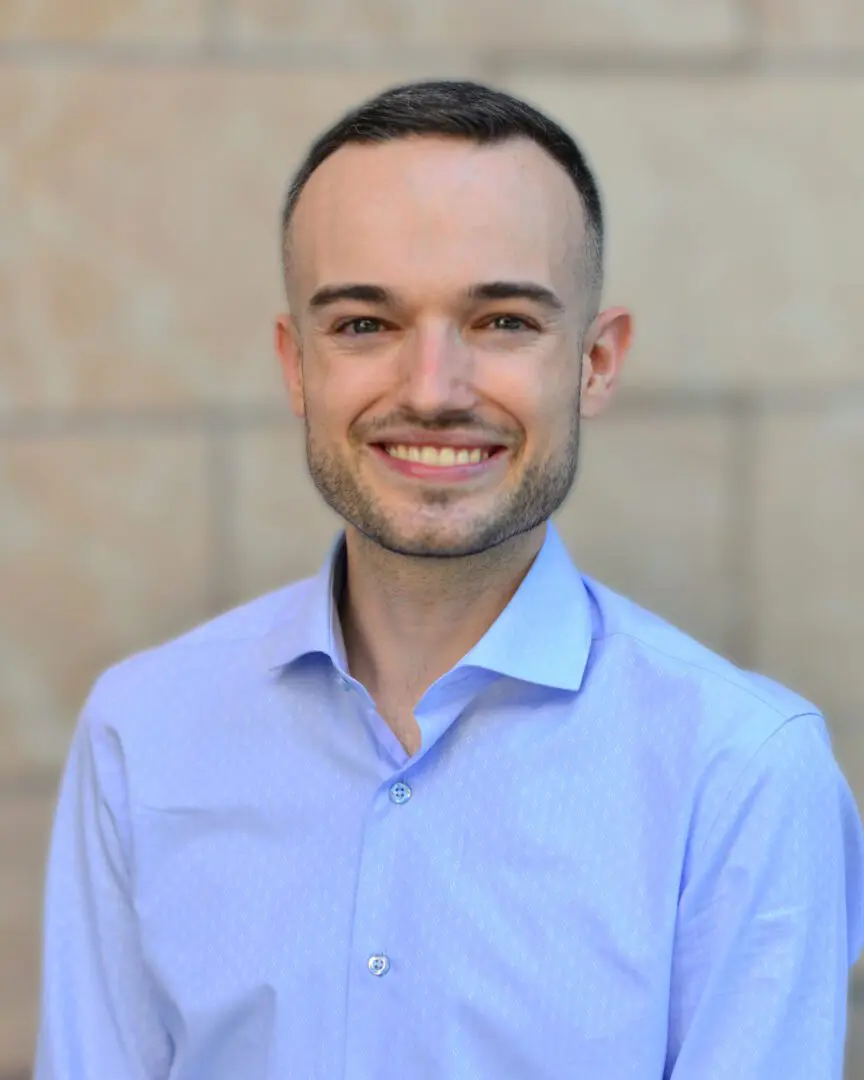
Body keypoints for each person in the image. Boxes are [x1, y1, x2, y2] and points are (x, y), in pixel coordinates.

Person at [34, 79, 864, 1080]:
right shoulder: (142, 731)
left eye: (503, 321)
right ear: (297, 366)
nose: (433, 390)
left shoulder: (744, 774)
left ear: (596, 363)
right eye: (364, 325)